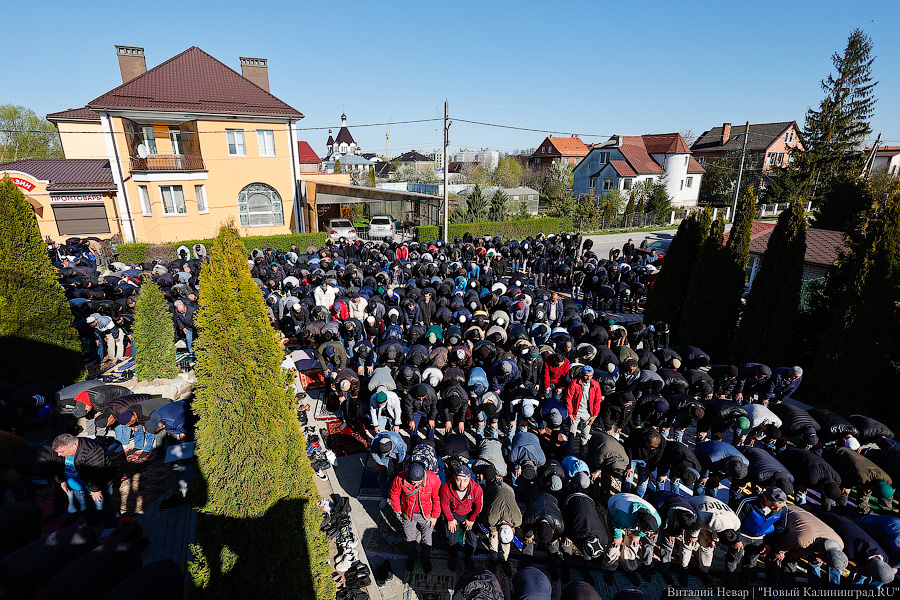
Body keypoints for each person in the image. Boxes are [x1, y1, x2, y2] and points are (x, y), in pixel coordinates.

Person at [47, 433, 117, 529]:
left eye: (62, 452)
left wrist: (95, 490)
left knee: (101, 507)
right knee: (82, 506)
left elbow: (97, 473)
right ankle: (92, 522)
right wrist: (62, 480)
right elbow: (58, 466)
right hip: (77, 486)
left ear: (73, 445)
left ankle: (110, 525)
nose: (59, 454)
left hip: (96, 486)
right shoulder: (63, 451)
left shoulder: (91, 450)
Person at [390, 462, 441, 577]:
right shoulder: (400, 478)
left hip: (426, 515)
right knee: (409, 539)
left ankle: (425, 559)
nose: (417, 485)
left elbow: (436, 497)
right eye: (414, 483)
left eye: (419, 482)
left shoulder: (433, 479)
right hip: (408, 514)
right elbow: (394, 493)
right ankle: (412, 557)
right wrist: (398, 510)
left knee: (427, 539)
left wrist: (435, 516)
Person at [732, 487, 788, 584]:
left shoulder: (783, 509)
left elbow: (780, 528)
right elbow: (735, 521)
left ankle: (743, 588)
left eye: (780, 507)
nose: (777, 510)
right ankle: (729, 586)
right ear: (765, 498)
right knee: (733, 560)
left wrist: (769, 544)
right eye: (774, 506)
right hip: (742, 535)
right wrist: (737, 539)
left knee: (750, 563)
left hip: (759, 539)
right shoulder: (748, 502)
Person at [439, 464, 482, 571]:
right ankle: (452, 556)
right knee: (451, 536)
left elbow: (478, 507)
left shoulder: (476, 489)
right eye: (458, 480)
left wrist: (471, 519)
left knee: (472, 538)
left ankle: (468, 557)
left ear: (469, 479)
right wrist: (449, 519)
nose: (462, 484)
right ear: (454, 477)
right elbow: (444, 505)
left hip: (469, 513)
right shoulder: (446, 488)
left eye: (465, 481)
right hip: (453, 513)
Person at [606, 492, 660, 572]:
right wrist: (617, 537)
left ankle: (629, 567)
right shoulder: (622, 518)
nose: (648, 535)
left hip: (632, 502)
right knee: (615, 544)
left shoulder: (657, 520)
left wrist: (638, 535)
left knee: (633, 543)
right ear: (638, 523)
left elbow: (646, 532)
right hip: (617, 506)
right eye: (646, 532)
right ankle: (609, 567)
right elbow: (615, 525)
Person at [483, 466, 522, 575]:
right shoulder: (492, 519)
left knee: (505, 541)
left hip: (509, 491)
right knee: (493, 537)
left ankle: (505, 559)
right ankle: (494, 558)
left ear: (513, 530)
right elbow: (487, 520)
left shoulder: (518, 520)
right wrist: (492, 530)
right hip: (493, 490)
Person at [564, 366, 603, 455]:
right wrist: (570, 413)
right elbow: (568, 398)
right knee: (571, 435)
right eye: (586, 375)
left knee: (585, 436)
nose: (588, 378)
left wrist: (594, 415)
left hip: (588, 414)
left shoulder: (595, 385)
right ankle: (569, 453)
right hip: (575, 413)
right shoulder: (574, 383)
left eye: (591, 375)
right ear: (581, 374)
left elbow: (597, 401)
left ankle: (582, 454)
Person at [371, 431, 406, 508]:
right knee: (382, 473)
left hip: (396, 453)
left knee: (400, 475)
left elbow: (402, 454)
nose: (387, 454)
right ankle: (384, 496)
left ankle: (399, 494)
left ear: (392, 445)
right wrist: (380, 463)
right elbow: (373, 453)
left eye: (387, 452)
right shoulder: (374, 443)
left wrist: (399, 463)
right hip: (382, 455)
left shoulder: (399, 443)